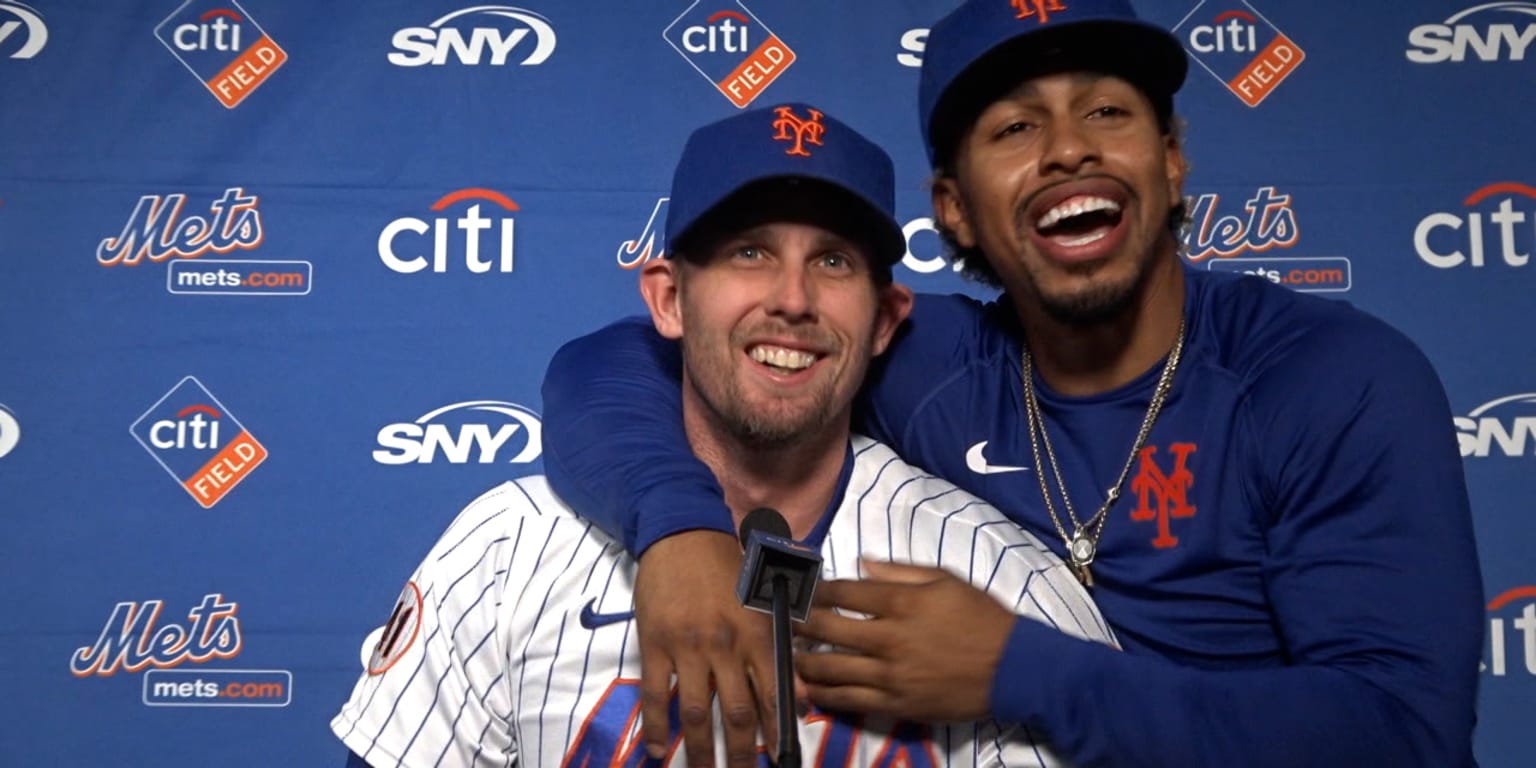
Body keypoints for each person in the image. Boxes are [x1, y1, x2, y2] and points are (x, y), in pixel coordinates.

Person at [536, 1, 1485, 766]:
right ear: (955, 210)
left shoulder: (1324, 375)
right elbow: (625, 363)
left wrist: (1019, 672)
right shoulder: (934, 361)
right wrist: (680, 529)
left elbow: (1404, 733)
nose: (1069, 149)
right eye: (1016, 127)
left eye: (1107, 110)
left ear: (1170, 157)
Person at [332, 102, 1116, 767]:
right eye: (750, 252)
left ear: (884, 321)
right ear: (669, 300)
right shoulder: (508, 550)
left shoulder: (992, 576)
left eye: (835, 262)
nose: (793, 298)